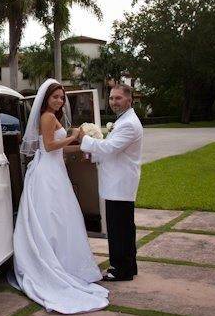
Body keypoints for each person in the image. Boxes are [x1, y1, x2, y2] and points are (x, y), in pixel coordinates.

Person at [10, 78, 109, 313]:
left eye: (62, 97)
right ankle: (54, 264)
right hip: (47, 173)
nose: (59, 100)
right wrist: (75, 136)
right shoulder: (47, 117)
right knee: (53, 217)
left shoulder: (53, 117)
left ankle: (67, 263)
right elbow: (50, 147)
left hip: (55, 170)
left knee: (62, 218)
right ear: (46, 99)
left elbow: (58, 147)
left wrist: (85, 143)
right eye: (55, 96)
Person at [78, 84, 143, 282]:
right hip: (117, 181)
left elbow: (110, 147)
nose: (114, 102)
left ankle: (121, 270)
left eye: (118, 98)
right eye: (112, 98)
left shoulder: (129, 124)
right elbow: (110, 151)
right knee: (122, 227)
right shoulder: (123, 120)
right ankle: (128, 266)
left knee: (119, 228)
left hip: (120, 183)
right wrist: (91, 154)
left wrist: (85, 139)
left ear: (129, 100)